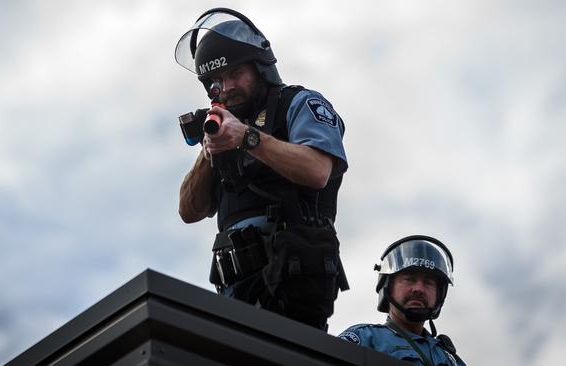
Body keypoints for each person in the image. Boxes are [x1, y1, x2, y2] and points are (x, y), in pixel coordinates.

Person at [175, 8, 349, 331]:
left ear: (260, 67)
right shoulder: (224, 127)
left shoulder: (298, 104)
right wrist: (208, 147)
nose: (225, 87)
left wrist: (247, 138)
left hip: (293, 291)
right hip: (232, 299)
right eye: (216, 81)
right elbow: (188, 210)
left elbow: (318, 170)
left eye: (234, 73)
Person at [339, 235, 466, 365]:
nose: (419, 289)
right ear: (388, 287)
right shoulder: (364, 338)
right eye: (409, 279)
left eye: (428, 282)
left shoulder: (451, 359)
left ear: (440, 295)